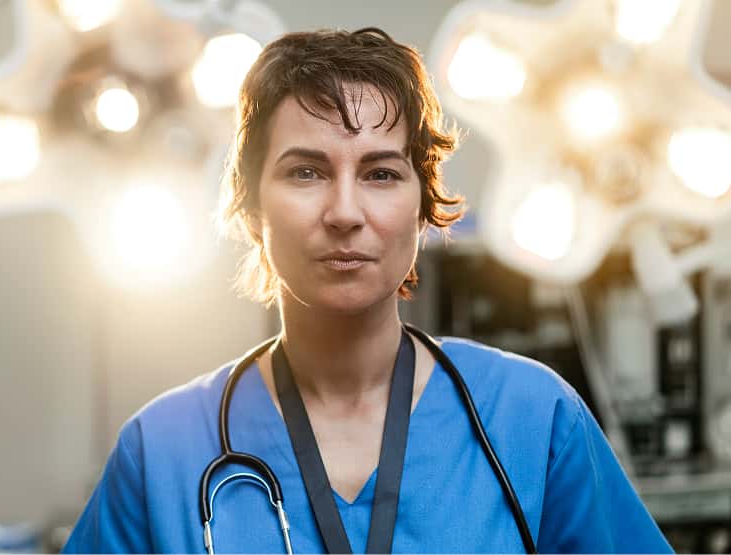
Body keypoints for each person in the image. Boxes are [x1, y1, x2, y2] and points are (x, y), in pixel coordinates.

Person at [63, 28, 672, 553]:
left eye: (381, 174)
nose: (345, 211)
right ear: (250, 207)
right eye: (306, 172)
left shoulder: (532, 420)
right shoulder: (161, 454)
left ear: (423, 207)